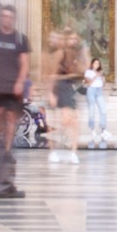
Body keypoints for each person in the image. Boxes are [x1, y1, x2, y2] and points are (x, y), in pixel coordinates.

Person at [0, 5, 31, 198]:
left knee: (10, 119)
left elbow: (25, 63)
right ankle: (3, 178)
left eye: (10, 17)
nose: (6, 20)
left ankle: (5, 149)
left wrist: (20, 82)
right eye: (3, 16)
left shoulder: (20, 39)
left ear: (14, 19)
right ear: (0, 18)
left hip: (12, 89)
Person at [47, 29, 84, 164]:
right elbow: (52, 74)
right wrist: (50, 92)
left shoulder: (75, 55)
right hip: (60, 87)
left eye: (76, 39)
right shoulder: (60, 54)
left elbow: (82, 72)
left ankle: (73, 152)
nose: (73, 41)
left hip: (69, 87)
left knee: (73, 122)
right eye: (71, 39)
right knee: (58, 122)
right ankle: (53, 151)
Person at [85, 58, 109, 143]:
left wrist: (102, 78)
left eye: (98, 64)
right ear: (92, 64)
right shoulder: (88, 72)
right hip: (91, 90)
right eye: (95, 63)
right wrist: (96, 76)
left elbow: (103, 85)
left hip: (99, 91)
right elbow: (88, 83)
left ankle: (103, 129)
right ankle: (92, 130)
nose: (96, 65)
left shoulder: (100, 73)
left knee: (103, 110)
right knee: (92, 111)